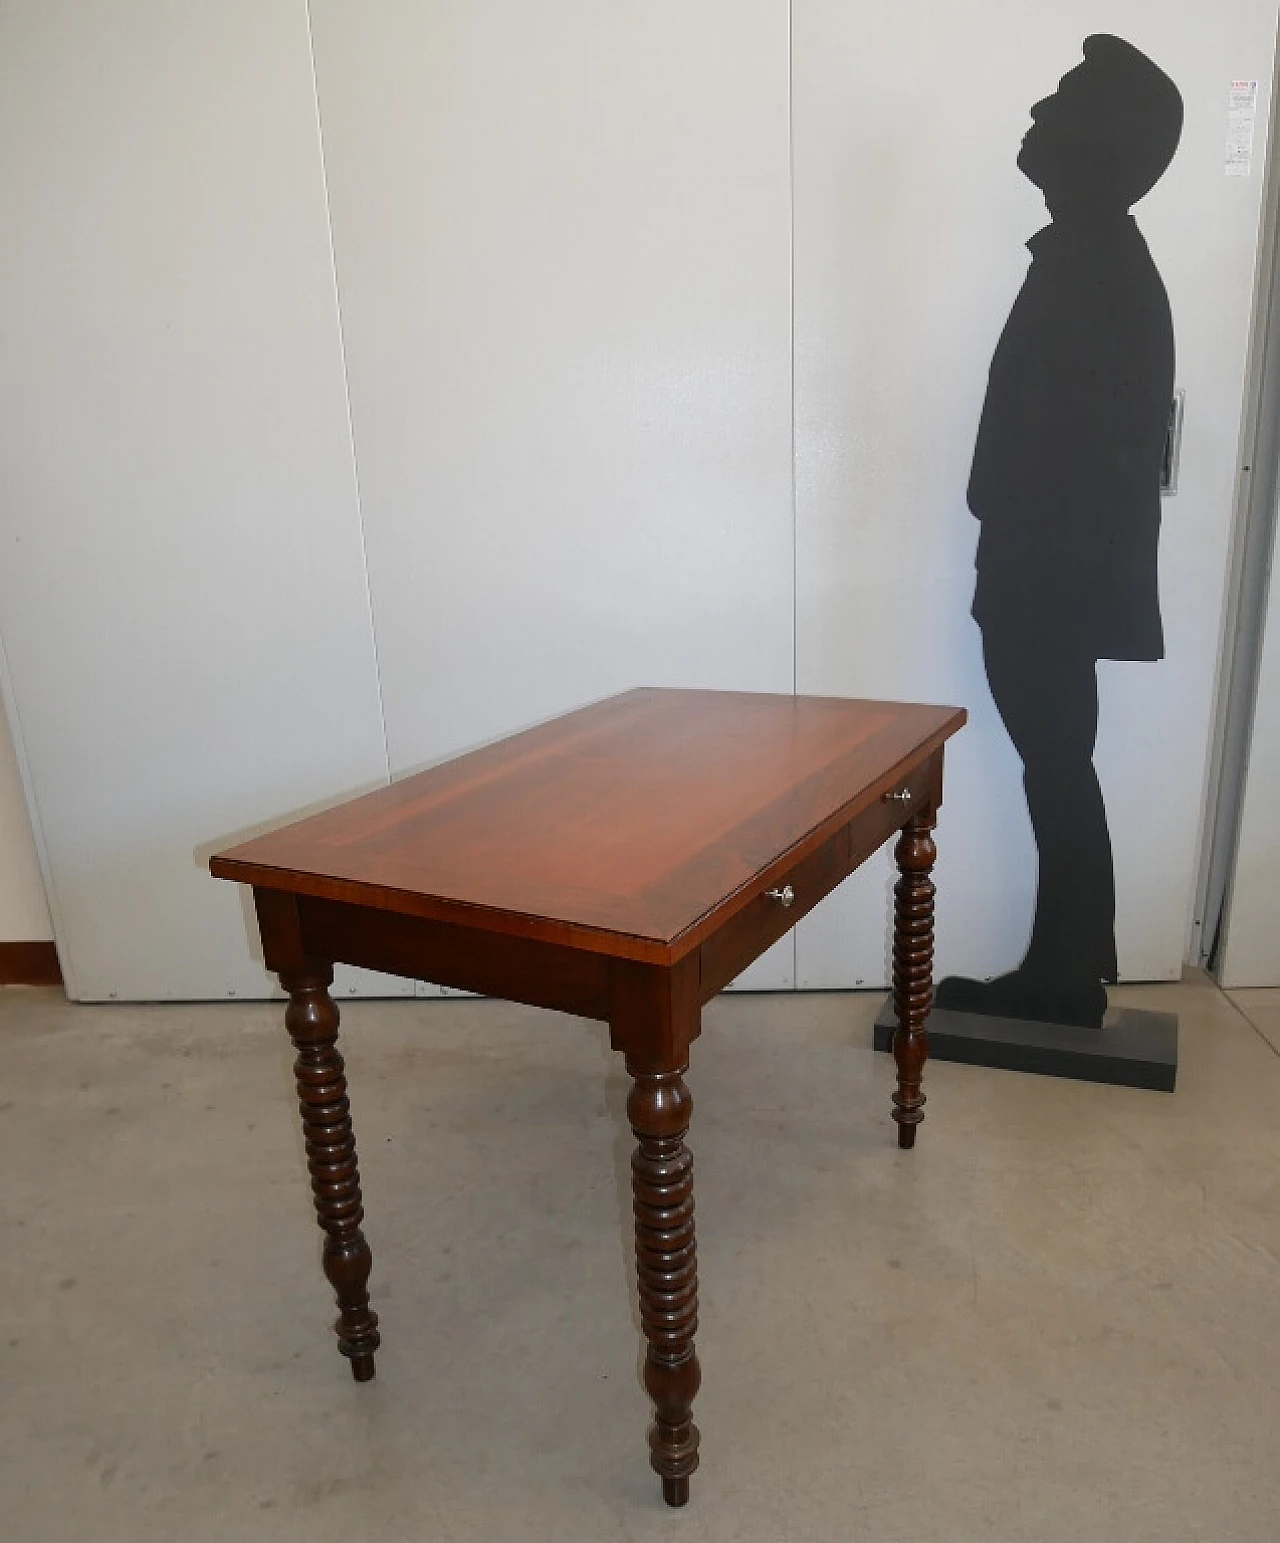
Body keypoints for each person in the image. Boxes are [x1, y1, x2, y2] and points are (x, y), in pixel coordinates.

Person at [935, 35, 1183, 1029]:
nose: (1036, 114)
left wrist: (1011, 526)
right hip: (1043, 566)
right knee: (1056, 764)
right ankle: (1066, 963)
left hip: (1049, 573)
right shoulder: (1090, 258)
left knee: (1055, 764)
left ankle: (1064, 971)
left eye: (1060, 102)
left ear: (1098, 142)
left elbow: (1079, 446)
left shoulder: (1098, 266)